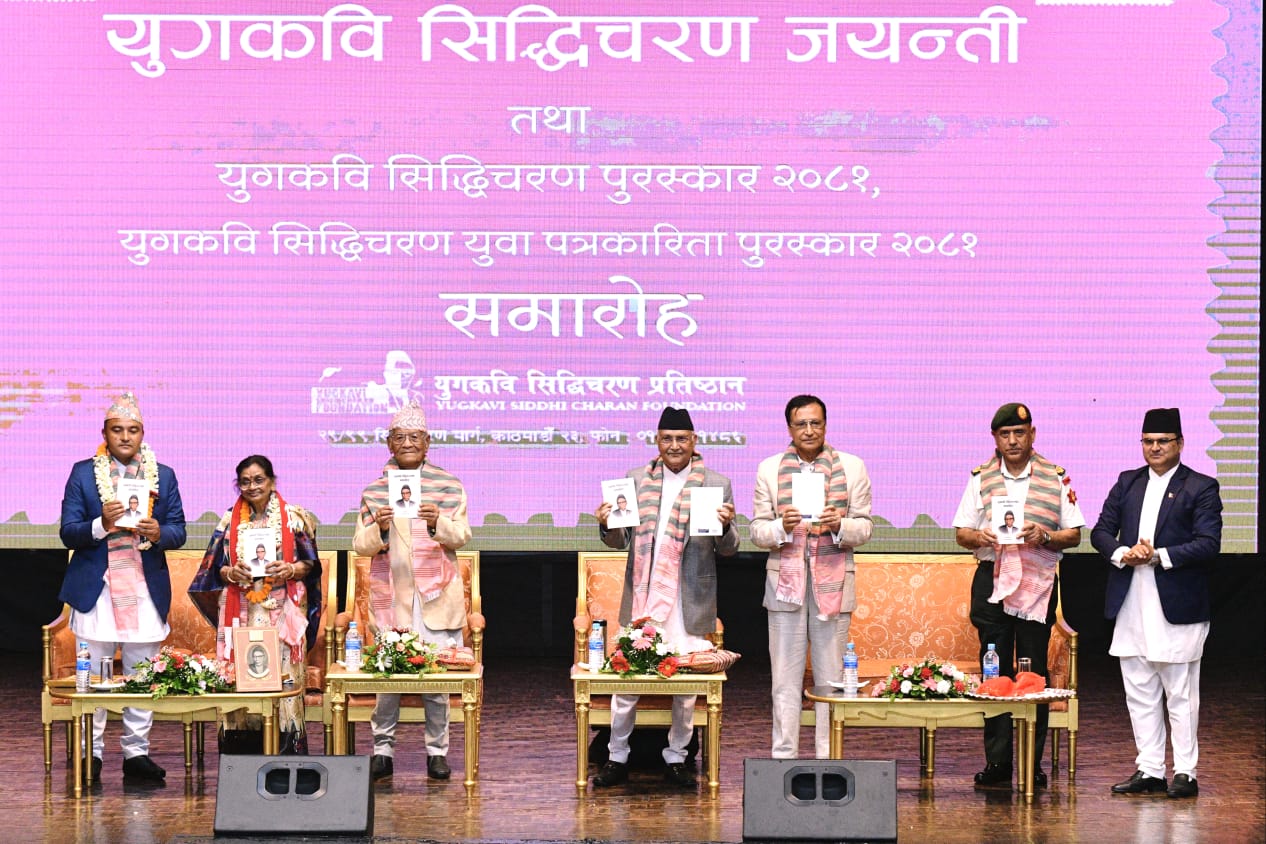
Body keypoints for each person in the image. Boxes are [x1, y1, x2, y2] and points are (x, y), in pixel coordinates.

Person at [591, 407, 739, 788]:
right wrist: (606, 524)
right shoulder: (635, 480)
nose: (675, 446)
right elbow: (619, 539)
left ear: (694, 441)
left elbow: (729, 548)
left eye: (682, 439)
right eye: (667, 438)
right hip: (643, 598)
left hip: (689, 599)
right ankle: (616, 756)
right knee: (628, 680)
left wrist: (725, 527)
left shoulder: (716, 484)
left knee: (685, 688)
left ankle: (677, 757)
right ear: (657, 441)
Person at [1091, 408, 1222, 799]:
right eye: (1148, 441)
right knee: (1139, 691)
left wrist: (1157, 555)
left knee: (1180, 694)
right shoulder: (1128, 482)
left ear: (1180, 443)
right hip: (1131, 601)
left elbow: (1208, 544)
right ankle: (1149, 770)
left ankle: (1185, 772)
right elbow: (1100, 531)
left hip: (1177, 605)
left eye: (1163, 441)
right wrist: (1123, 553)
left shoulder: (1200, 486)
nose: (1155, 448)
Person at [952, 402, 1084, 788]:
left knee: (1032, 672)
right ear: (995, 438)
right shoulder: (980, 477)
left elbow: (1074, 535)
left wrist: (1046, 535)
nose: (1012, 441)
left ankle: (1031, 762)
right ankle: (997, 763)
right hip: (992, 580)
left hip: (1036, 583)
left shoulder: (1056, 476)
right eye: (1005, 434)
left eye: (1019, 433)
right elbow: (961, 533)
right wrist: (980, 536)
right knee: (994, 671)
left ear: (1032, 435)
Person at [58, 392, 186, 782]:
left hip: (144, 588)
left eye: (132, 430)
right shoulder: (84, 473)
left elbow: (179, 531)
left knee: (142, 675)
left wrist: (158, 532)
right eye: (117, 430)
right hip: (97, 590)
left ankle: (136, 753)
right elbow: (68, 532)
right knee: (95, 676)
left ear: (142, 434)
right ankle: (91, 754)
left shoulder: (163, 475)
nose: (125, 437)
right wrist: (102, 524)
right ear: (105, 434)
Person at [353, 400, 471, 781]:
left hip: (436, 596)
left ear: (427, 442)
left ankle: (437, 752)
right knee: (387, 679)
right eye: (399, 437)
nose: (407, 443)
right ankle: (382, 750)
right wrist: (380, 529)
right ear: (388, 443)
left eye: (414, 437)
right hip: (393, 597)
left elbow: (462, 535)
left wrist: (438, 524)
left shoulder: (448, 485)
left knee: (436, 680)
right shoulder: (375, 492)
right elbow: (360, 545)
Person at [750, 395, 872, 759]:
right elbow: (757, 531)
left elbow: (865, 527)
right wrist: (781, 528)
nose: (808, 430)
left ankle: (827, 757)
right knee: (784, 680)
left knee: (830, 680)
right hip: (784, 586)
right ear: (789, 428)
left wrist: (840, 525)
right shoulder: (769, 469)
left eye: (815, 423)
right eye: (801, 424)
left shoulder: (852, 467)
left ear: (825, 425)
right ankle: (783, 756)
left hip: (833, 585)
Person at [188, 455, 323, 754]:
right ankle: (242, 752)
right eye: (245, 482)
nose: (252, 486)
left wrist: (290, 569)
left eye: (259, 480)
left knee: (283, 677)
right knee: (240, 674)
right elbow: (214, 569)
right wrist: (230, 572)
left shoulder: (294, 517)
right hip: (239, 607)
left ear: (272, 482)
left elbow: (311, 565)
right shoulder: (228, 521)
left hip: (283, 607)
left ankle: (286, 751)